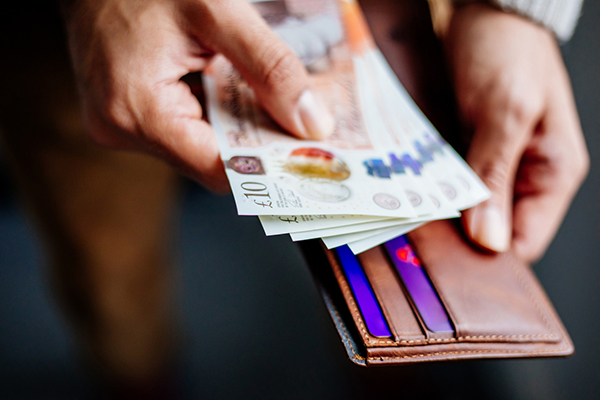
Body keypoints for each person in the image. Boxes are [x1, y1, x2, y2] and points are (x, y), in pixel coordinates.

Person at [0, 0, 589, 394]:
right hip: (69, 39)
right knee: (106, 269)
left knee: (394, 288)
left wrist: (516, 9)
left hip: (385, 19)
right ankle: (136, 376)